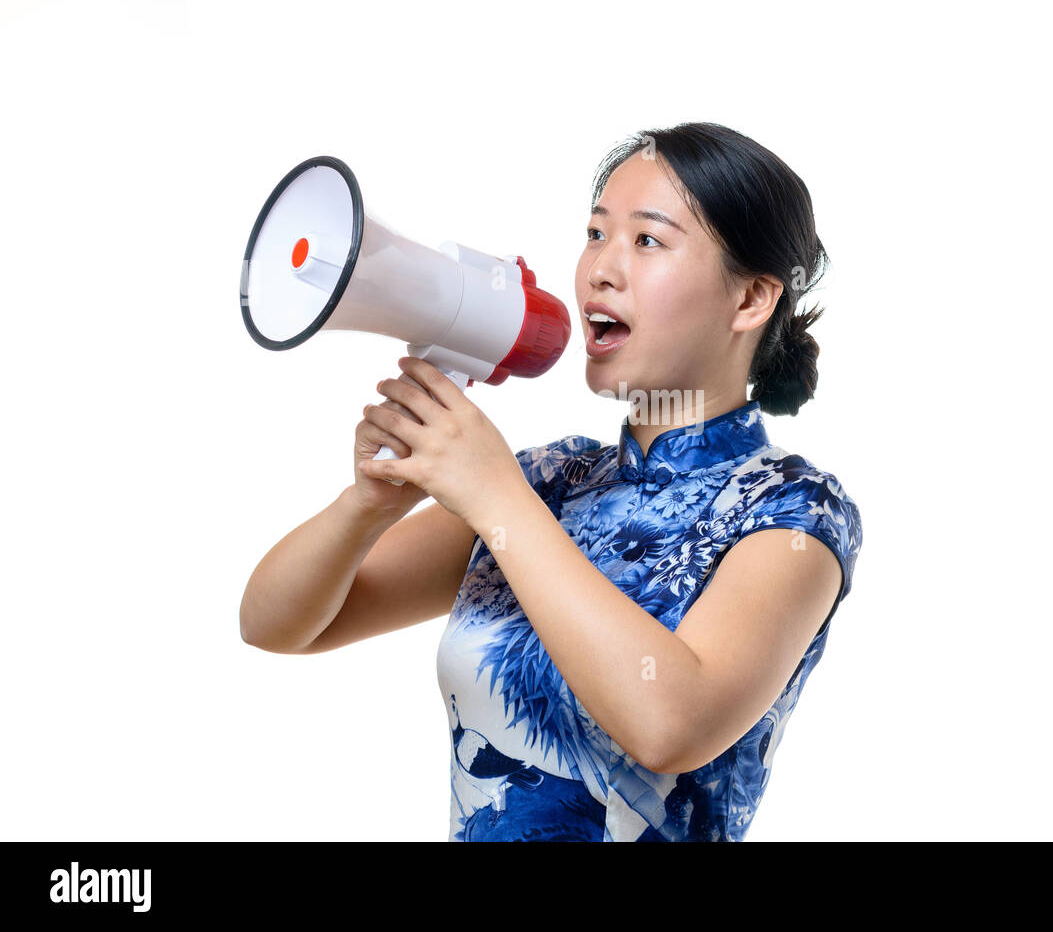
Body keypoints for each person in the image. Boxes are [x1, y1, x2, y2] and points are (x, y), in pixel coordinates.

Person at [240, 122, 862, 842]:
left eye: (647, 240)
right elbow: (273, 624)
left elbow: (669, 724)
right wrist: (365, 507)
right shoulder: (550, 480)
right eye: (596, 233)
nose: (600, 268)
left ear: (751, 299)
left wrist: (494, 493)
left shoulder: (793, 510)